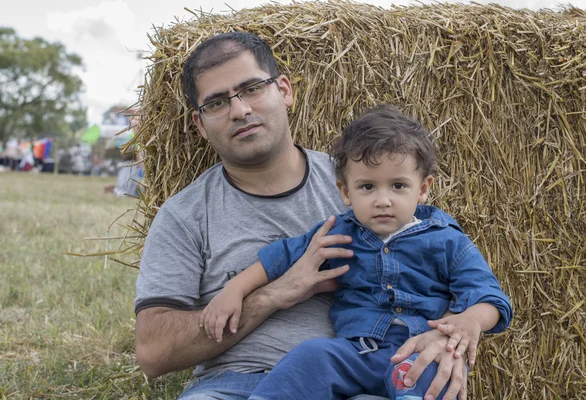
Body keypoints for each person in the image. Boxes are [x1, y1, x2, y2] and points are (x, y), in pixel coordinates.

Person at [135, 32, 474, 400]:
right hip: (231, 386)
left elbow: (444, 271)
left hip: (353, 385)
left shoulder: (366, 183)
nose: (239, 110)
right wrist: (275, 293)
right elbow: (153, 352)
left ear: (284, 90)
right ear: (201, 125)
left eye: (251, 88)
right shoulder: (185, 215)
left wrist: (449, 339)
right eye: (216, 103)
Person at [200, 105, 513, 400]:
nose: (383, 200)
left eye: (398, 186)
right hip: (354, 352)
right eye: (367, 187)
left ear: (423, 188)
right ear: (345, 191)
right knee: (311, 355)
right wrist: (234, 289)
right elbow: (281, 258)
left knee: (434, 372)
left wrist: (471, 320)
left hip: (417, 350)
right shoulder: (339, 233)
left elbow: (490, 296)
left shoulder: (446, 240)